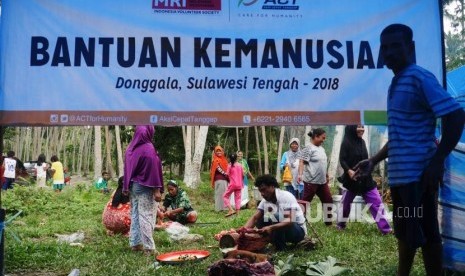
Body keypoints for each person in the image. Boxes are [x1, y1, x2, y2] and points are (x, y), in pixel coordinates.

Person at [354, 24, 465, 276]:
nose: (390, 52)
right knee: (406, 230)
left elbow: (456, 115)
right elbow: (400, 137)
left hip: (419, 177)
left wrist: (438, 161)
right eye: (385, 47)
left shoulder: (419, 77)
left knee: (426, 233)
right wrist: (374, 160)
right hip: (402, 178)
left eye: (396, 46)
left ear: (410, 48)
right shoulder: (396, 83)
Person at [336, 125, 392, 234]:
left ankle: (386, 229)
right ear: (352, 128)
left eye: (362, 127)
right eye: (359, 127)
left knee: (376, 202)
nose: (362, 129)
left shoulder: (362, 142)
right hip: (351, 179)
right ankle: (340, 225)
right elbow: (342, 160)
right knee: (345, 204)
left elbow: (367, 159)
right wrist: (349, 171)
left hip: (365, 178)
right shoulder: (346, 143)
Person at [123, 125, 163, 256]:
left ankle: (135, 243)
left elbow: (127, 169)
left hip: (133, 186)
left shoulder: (131, 149)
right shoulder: (148, 148)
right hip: (146, 185)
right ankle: (149, 248)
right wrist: (157, 190)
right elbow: (154, 169)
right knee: (146, 215)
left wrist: (125, 186)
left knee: (135, 214)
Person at [243, 174, 306, 250]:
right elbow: (255, 218)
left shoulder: (286, 196)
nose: (262, 194)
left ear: (272, 186)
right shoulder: (265, 201)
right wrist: (243, 231)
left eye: (264, 190)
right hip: (281, 230)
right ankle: (272, 240)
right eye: (260, 191)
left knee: (276, 216)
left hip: (297, 231)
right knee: (260, 219)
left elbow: (290, 220)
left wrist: (271, 227)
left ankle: (280, 248)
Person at [298, 128, 333, 225]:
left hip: (322, 182)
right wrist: (300, 175)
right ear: (316, 136)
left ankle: (328, 223)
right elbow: (301, 162)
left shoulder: (322, 149)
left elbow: (323, 163)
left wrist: (326, 174)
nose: (323, 140)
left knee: (328, 200)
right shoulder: (308, 148)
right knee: (305, 202)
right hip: (311, 181)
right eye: (323, 138)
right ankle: (299, 221)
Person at [210, 146, 229, 212]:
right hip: (220, 179)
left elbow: (228, 168)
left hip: (224, 179)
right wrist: (226, 174)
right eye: (217, 151)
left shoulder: (224, 160)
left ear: (222, 151)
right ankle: (219, 209)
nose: (219, 152)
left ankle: (223, 208)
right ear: (215, 152)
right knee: (219, 193)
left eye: (220, 151)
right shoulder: (216, 160)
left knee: (224, 193)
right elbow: (219, 169)